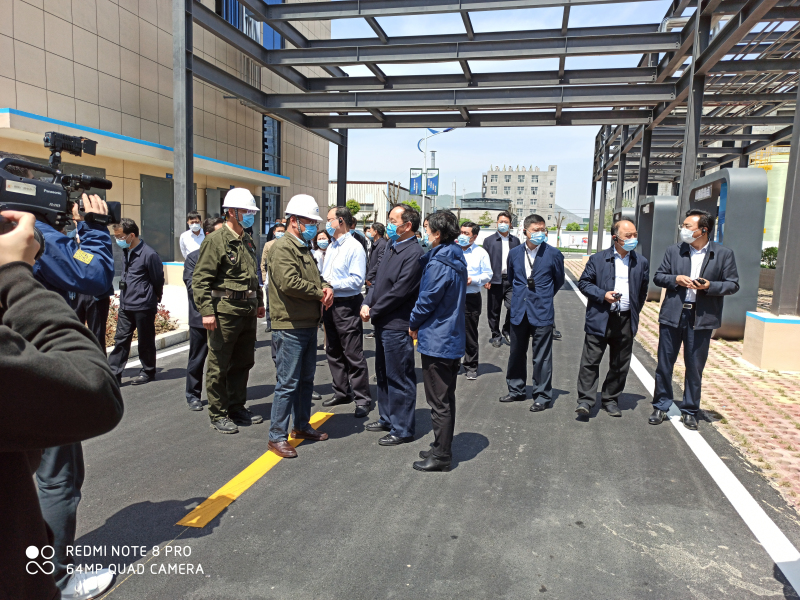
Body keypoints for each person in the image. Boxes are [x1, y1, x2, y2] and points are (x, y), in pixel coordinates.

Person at [0, 210, 123, 600]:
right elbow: (94, 274)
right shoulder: (26, 233)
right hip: (39, 373)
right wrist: (96, 227)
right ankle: (57, 577)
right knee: (58, 480)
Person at [649, 209, 739, 430]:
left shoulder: (723, 254)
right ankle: (661, 405)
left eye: (688, 226)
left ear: (703, 230)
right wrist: (675, 279)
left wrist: (709, 286)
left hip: (701, 317)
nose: (684, 229)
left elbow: (733, 284)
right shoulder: (674, 251)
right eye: (684, 226)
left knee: (695, 366)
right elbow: (659, 276)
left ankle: (690, 410)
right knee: (664, 364)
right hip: (673, 314)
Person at [192, 189, 265, 434]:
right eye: (246, 211)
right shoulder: (215, 240)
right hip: (224, 312)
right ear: (231, 212)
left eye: (252, 211)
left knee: (243, 362)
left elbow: (253, 276)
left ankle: (236, 406)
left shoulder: (247, 240)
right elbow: (201, 280)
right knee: (219, 364)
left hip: (247, 310)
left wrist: (259, 301)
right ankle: (218, 413)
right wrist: (206, 311)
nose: (250, 215)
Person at [267, 194, 333, 457]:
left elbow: (317, 277)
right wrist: (319, 292)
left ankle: (302, 425)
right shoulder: (283, 247)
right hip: (290, 325)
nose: (314, 227)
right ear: (293, 220)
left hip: (306, 323)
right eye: (309, 221)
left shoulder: (303, 247)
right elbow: (289, 283)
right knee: (288, 383)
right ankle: (276, 436)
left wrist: (326, 286)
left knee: (306, 380)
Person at [361, 204, 424, 446]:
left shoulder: (414, 253)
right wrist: (367, 302)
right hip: (382, 321)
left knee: (399, 377)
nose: (388, 225)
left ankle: (403, 428)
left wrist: (373, 310)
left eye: (392, 221)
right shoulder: (391, 245)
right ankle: (387, 417)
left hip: (397, 324)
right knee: (384, 373)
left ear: (407, 225)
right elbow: (377, 281)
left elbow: (400, 291)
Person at [409, 210, 467, 472]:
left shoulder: (440, 262)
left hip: (438, 338)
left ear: (438, 233)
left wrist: (413, 323)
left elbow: (426, 300)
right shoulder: (455, 255)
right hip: (450, 336)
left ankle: (442, 455)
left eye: (428, 229)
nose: (426, 233)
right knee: (446, 397)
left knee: (438, 402)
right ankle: (440, 446)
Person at [576, 219, 649, 418]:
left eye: (635, 235)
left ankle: (610, 399)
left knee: (619, 363)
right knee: (590, 361)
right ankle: (585, 400)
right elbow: (584, 283)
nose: (633, 239)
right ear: (615, 238)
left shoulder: (641, 262)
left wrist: (633, 311)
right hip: (600, 317)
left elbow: (642, 291)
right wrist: (603, 295)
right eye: (628, 236)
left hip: (625, 319)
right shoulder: (598, 259)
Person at [500, 214, 565, 412]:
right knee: (516, 353)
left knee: (542, 356)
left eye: (543, 230)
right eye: (536, 230)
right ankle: (516, 390)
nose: (540, 233)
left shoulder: (553, 254)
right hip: (519, 310)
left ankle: (542, 396)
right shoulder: (514, 253)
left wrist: (543, 296)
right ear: (525, 231)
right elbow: (512, 278)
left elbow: (558, 280)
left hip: (542, 310)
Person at [319, 206, 372, 418]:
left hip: (347, 304)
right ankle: (342, 391)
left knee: (352, 352)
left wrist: (330, 284)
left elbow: (357, 280)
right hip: (330, 303)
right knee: (333, 349)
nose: (327, 223)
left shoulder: (354, 247)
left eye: (329, 219)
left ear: (340, 221)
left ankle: (362, 398)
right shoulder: (332, 246)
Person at [107, 218, 165, 386]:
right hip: (126, 304)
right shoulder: (126, 251)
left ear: (131, 235)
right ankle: (114, 374)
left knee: (145, 341)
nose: (118, 240)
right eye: (116, 236)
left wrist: (156, 296)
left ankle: (148, 371)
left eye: (120, 236)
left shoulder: (149, 254)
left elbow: (158, 279)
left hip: (143, 304)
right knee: (121, 340)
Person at [183, 217, 224, 411]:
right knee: (198, 358)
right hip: (200, 317)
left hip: (224, 315)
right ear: (208, 235)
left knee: (223, 359)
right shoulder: (193, 258)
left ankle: (222, 395)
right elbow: (193, 287)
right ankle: (193, 395)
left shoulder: (227, 255)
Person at [459, 221, 493, 380]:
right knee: (451, 332)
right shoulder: (452, 249)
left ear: (474, 236)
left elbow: (488, 274)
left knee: (469, 333)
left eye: (466, 233)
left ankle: (471, 365)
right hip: (452, 297)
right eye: (461, 232)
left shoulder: (481, 253)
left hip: (470, 297)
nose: (462, 236)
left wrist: (472, 280)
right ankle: (453, 363)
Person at [482, 211, 521, 347]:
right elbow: (484, 262)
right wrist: (486, 279)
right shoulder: (489, 240)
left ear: (510, 224)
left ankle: (506, 329)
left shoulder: (515, 241)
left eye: (506, 222)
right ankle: (496, 335)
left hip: (511, 280)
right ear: (497, 223)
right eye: (501, 222)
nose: (503, 224)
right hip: (494, 280)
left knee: (514, 306)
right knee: (494, 310)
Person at [260, 222, 287, 332]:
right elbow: (263, 262)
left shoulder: (288, 243)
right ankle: (269, 323)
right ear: (274, 232)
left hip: (284, 277)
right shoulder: (268, 244)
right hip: (270, 277)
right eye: (278, 231)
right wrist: (263, 276)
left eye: (282, 231)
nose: (280, 233)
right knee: (269, 302)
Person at [365, 222, 388, 287]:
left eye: (370, 230)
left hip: (375, 280)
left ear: (375, 232)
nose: (369, 232)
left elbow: (380, 263)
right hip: (371, 279)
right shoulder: (375, 243)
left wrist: (369, 276)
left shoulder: (382, 244)